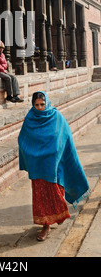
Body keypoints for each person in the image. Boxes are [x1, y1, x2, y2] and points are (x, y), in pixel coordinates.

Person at [18, 91, 90, 241]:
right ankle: (46, 225)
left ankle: (55, 217)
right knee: (41, 199)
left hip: (55, 165)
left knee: (56, 195)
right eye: (36, 105)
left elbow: (64, 138)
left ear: (47, 103)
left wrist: (53, 154)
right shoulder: (30, 119)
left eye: (42, 104)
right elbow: (23, 140)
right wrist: (32, 156)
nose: (39, 108)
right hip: (38, 168)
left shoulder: (56, 118)